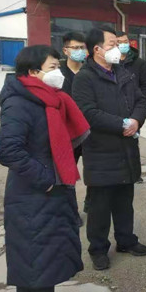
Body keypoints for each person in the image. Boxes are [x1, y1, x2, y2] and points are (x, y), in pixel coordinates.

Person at [0, 45, 90, 292]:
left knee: (46, 256)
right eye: (52, 67)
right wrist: (46, 179)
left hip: (51, 191)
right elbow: (9, 151)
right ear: (33, 72)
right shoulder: (19, 102)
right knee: (33, 260)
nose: (58, 72)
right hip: (33, 193)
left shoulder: (51, 100)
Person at [72, 26, 146, 271]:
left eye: (118, 44)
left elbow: (140, 100)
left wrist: (136, 121)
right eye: (112, 44)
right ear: (97, 49)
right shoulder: (85, 78)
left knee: (125, 202)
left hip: (127, 148)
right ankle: (98, 249)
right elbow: (88, 113)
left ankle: (126, 241)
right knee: (100, 206)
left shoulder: (123, 72)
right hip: (101, 151)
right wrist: (121, 124)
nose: (118, 48)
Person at [116, 30, 146, 184]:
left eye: (125, 41)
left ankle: (135, 174)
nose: (122, 45)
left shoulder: (139, 63)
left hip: (133, 109)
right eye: (118, 42)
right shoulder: (111, 62)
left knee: (132, 142)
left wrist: (139, 103)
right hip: (115, 108)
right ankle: (118, 173)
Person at [60, 32, 88, 225]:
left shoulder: (90, 72)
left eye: (82, 48)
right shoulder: (57, 74)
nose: (79, 51)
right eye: (75, 47)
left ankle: (91, 205)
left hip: (90, 131)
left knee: (94, 172)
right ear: (66, 50)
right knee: (68, 175)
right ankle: (71, 212)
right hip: (68, 134)